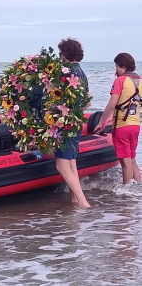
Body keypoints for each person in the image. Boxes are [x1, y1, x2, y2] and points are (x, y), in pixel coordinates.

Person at [94, 53, 142, 185]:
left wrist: (101, 122)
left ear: (123, 66)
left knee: (125, 162)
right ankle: (138, 190)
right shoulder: (140, 81)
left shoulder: (120, 81)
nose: (116, 71)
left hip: (122, 126)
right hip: (135, 126)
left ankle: (126, 193)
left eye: (117, 67)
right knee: (132, 159)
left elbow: (111, 105)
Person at [55, 38, 91, 208]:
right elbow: (88, 101)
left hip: (67, 123)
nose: (60, 56)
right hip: (76, 122)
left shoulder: (67, 71)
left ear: (66, 53)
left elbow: (59, 98)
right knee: (71, 163)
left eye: (61, 53)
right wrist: (76, 111)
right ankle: (75, 201)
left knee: (62, 165)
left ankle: (84, 203)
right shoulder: (81, 72)